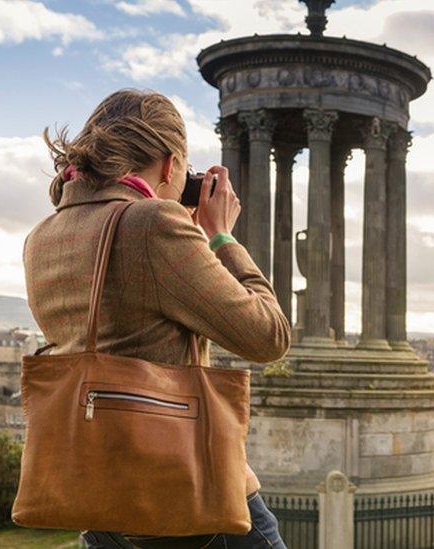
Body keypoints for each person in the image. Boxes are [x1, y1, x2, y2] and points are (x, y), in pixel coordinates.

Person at [23, 89, 291, 549]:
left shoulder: (42, 236)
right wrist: (221, 236)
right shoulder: (153, 226)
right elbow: (269, 336)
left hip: (101, 504)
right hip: (190, 501)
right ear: (170, 166)